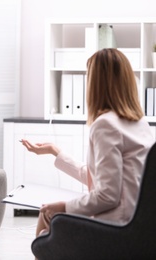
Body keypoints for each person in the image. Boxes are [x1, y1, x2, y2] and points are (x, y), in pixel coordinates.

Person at [20, 48, 154, 236]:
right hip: (140, 222)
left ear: (96, 84)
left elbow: (107, 196)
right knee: (49, 216)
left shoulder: (106, 124)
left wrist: (65, 206)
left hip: (118, 226)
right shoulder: (139, 123)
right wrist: (55, 151)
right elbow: (101, 177)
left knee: (47, 217)